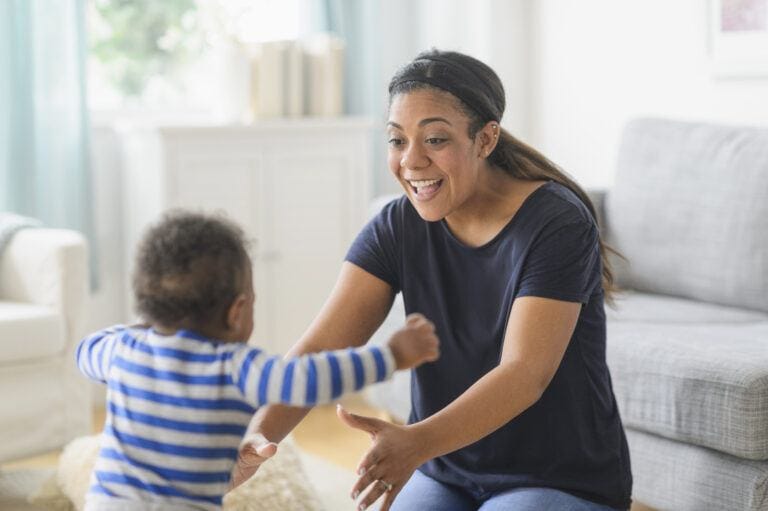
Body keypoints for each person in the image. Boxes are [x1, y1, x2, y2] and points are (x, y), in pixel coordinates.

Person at [232, 49, 632, 511]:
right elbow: (321, 347)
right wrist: (254, 441)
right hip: (447, 471)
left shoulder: (556, 223)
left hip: (557, 477)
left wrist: (415, 442)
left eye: (436, 140)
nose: (411, 161)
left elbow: (525, 375)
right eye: (397, 140)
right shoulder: (396, 226)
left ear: (486, 139)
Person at [75, 210, 439, 511]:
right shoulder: (236, 367)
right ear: (237, 312)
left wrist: (142, 329)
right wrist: (390, 356)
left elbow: (85, 350)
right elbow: (309, 377)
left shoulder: (123, 350)